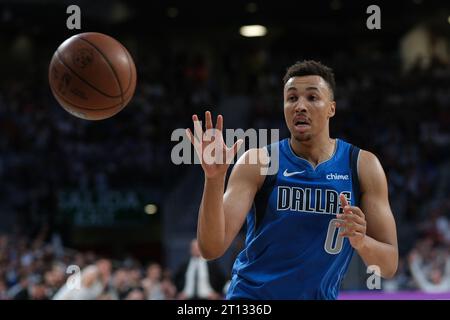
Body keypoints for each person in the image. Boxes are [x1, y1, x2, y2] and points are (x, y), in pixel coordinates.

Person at [186, 60, 398, 299]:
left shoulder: (362, 165)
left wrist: (361, 242)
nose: (300, 106)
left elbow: (389, 265)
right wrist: (214, 179)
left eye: (312, 97)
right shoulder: (258, 161)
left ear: (332, 108)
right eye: (292, 98)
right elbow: (210, 248)